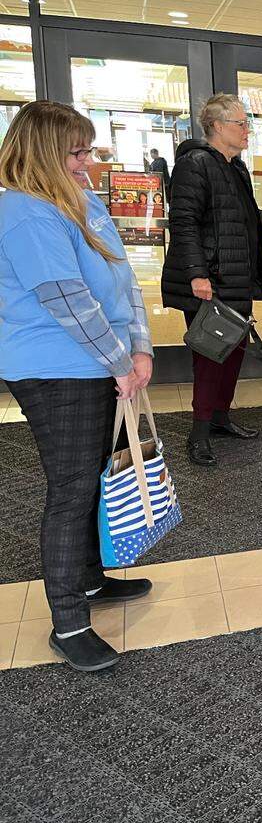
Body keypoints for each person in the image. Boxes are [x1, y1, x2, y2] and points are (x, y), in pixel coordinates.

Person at [0, 101, 155, 672]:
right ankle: (68, 622)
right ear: (44, 152)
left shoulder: (81, 198)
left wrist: (140, 347)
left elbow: (123, 277)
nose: (88, 161)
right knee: (70, 490)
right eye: (77, 151)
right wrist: (120, 360)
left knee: (92, 478)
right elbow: (65, 299)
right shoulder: (24, 211)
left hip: (99, 361)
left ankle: (90, 580)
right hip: (56, 368)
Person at [161, 93, 262, 467]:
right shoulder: (194, 165)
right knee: (210, 358)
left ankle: (220, 419)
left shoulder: (236, 167)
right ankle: (198, 434)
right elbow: (183, 225)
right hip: (209, 281)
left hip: (236, 279)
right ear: (217, 127)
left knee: (233, 352)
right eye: (240, 123)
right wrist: (197, 274)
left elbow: (248, 215)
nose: (248, 130)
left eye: (247, 123)